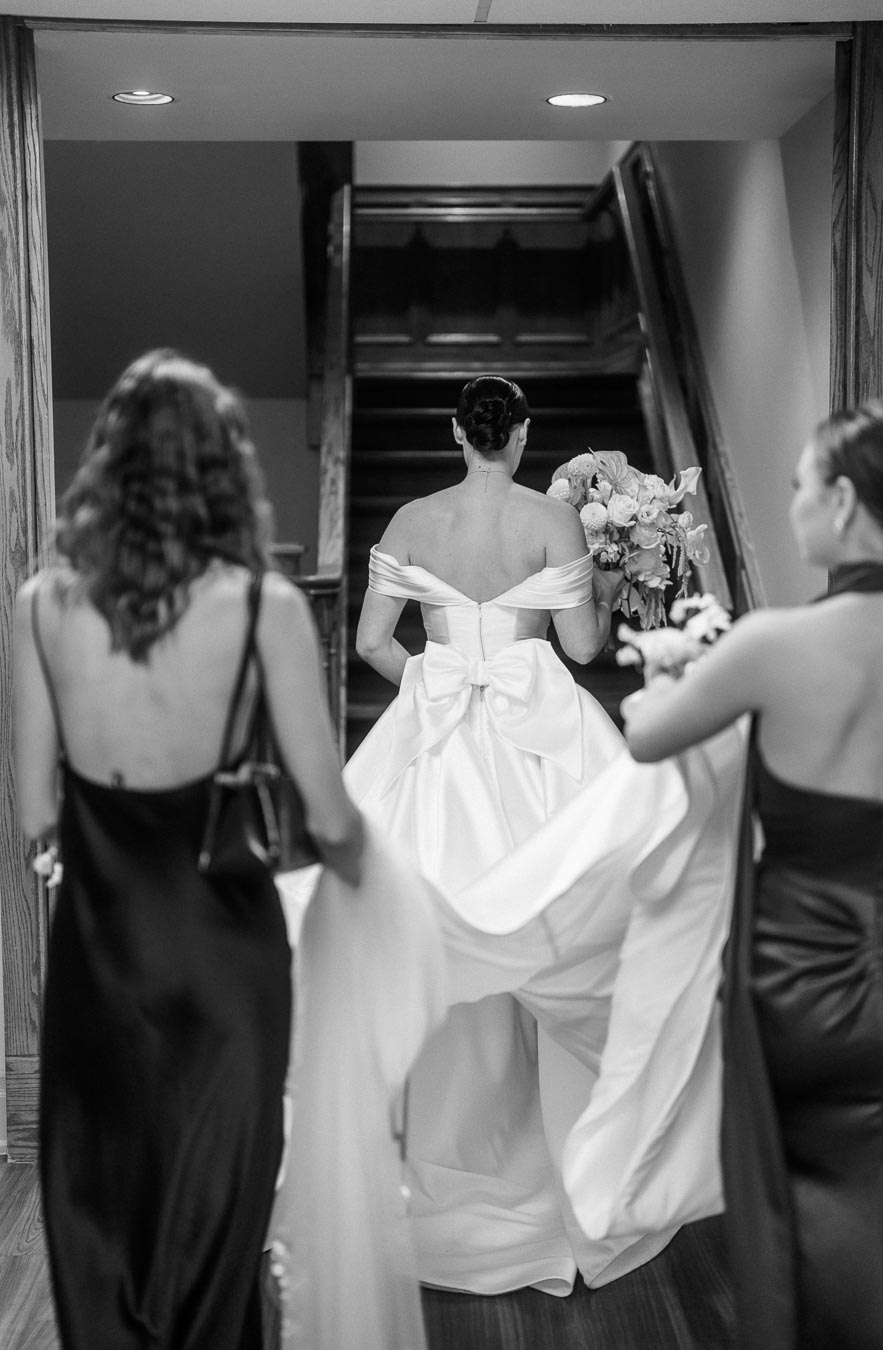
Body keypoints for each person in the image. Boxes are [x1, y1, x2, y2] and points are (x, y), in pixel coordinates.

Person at [12, 350, 363, 1350]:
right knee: (215, 1240)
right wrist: (372, 890)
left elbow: (37, 808)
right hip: (227, 962)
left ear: (108, 464)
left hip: (100, 963)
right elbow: (331, 819)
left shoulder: (42, 606)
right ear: (223, 469)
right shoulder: (264, 608)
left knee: (101, 1227)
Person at [349, 374, 636, 1295]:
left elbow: (370, 645)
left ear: (454, 433)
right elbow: (584, 650)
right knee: (555, 928)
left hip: (437, 738)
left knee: (429, 933)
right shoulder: (550, 521)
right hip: (537, 735)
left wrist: (435, 689)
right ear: (520, 434)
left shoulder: (409, 519)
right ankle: (556, 1152)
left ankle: (433, 1151)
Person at [622, 401, 883, 1349]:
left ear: (848, 501)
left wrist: (668, 665)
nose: (793, 506)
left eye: (802, 487)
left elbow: (648, 738)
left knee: (807, 1208)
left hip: (800, 980)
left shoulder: (777, 646)